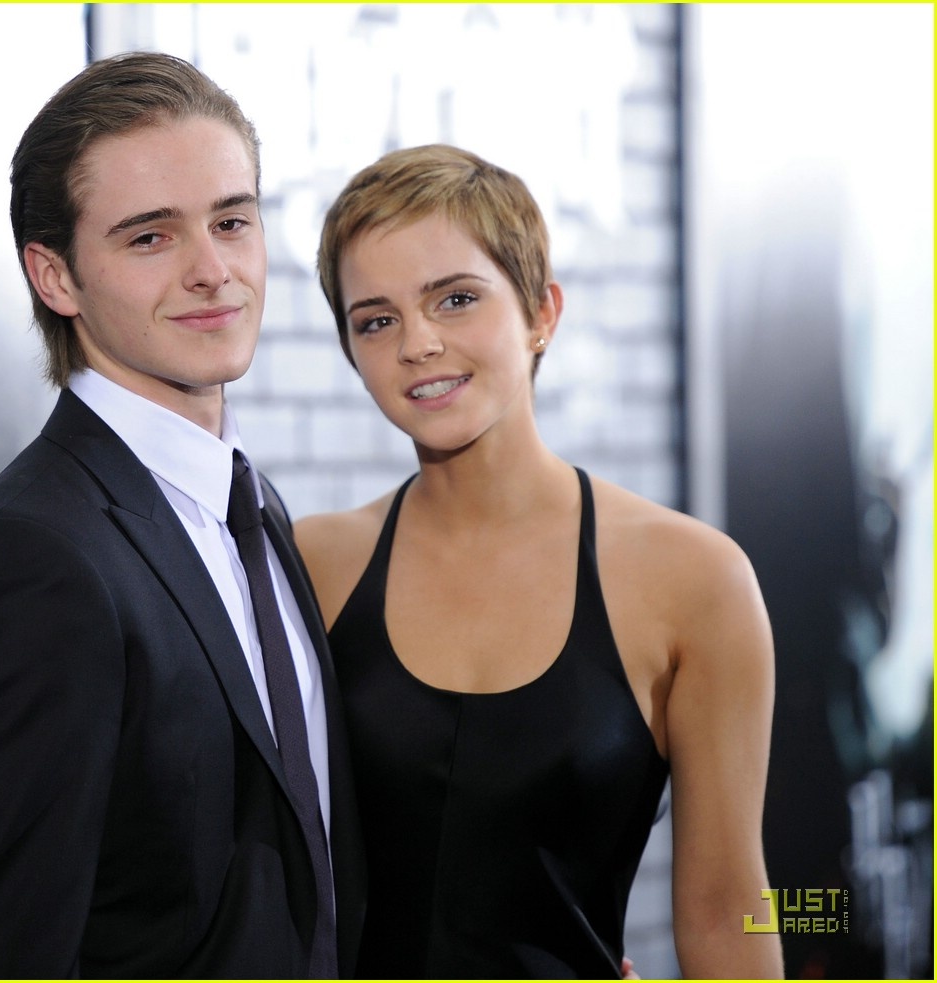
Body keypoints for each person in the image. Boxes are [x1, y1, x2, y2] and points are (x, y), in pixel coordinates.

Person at [0, 52, 364, 978]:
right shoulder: (29, 558)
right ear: (56, 277)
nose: (213, 271)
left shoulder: (251, 504)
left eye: (232, 221)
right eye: (150, 237)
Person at [295, 144, 784, 978]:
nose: (418, 343)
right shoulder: (312, 563)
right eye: (376, 320)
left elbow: (731, 907)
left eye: (455, 299)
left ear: (541, 313)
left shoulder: (696, 581)